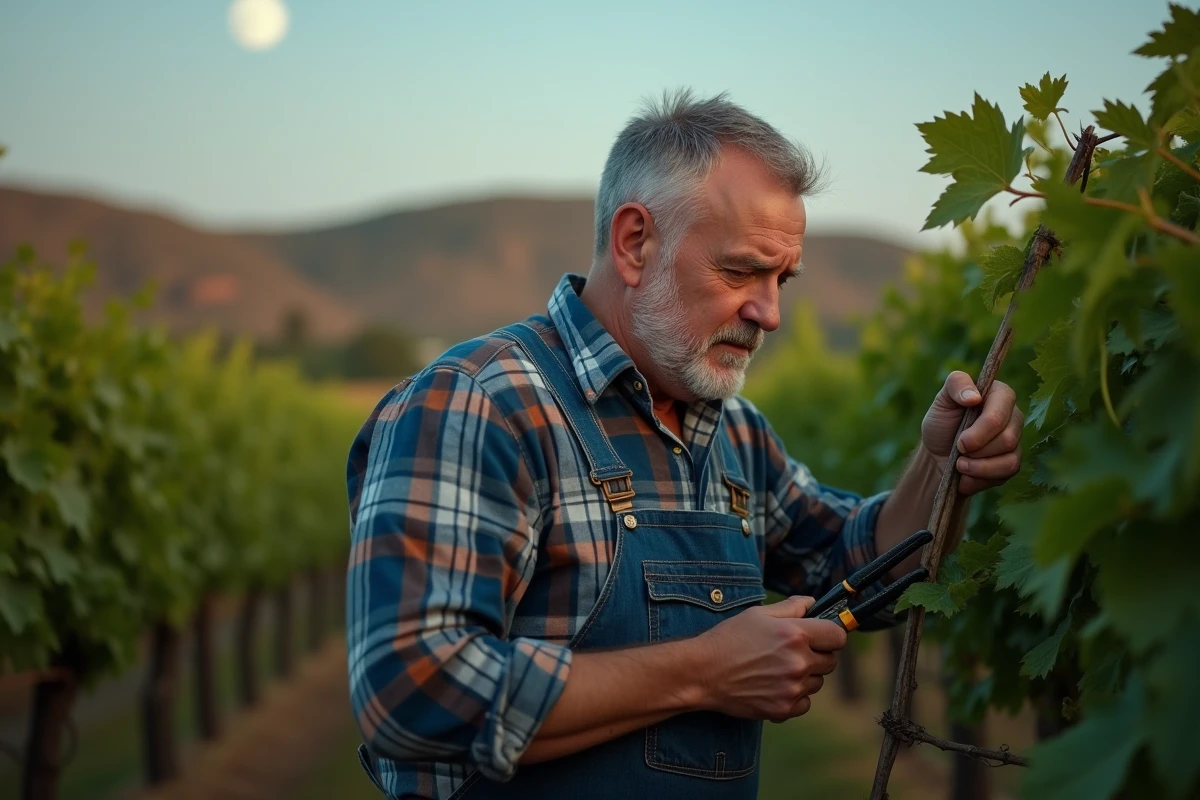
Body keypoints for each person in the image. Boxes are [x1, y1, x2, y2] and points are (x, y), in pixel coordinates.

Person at [344, 90, 1023, 800]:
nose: (771, 313)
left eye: (781, 279)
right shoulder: (481, 403)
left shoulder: (734, 432)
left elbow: (858, 567)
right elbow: (413, 693)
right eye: (740, 272)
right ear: (635, 242)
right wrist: (706, 669)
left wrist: (943, 464)